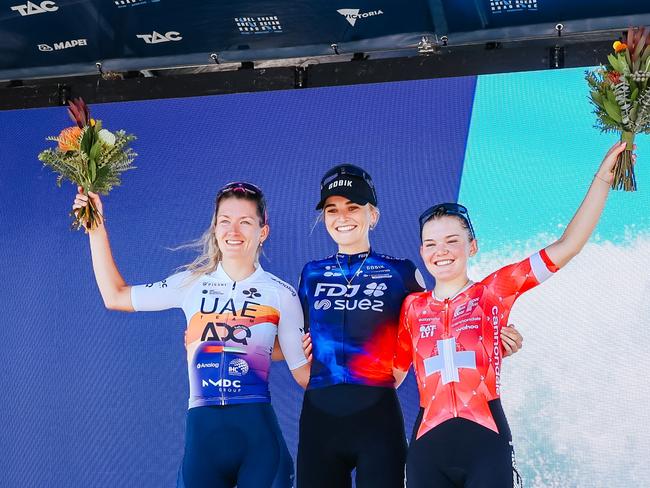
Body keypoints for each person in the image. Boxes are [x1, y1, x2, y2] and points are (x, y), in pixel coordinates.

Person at [394, 141, 635, 487]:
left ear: (472, 246)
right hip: (427, 450)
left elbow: (567, 247)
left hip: (485, 444)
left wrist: (603, 178)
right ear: (421, 251)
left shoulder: (493, 291)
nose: (441, 252)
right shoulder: (410, 308)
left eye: (452, 241)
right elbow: (389, 375)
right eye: (431, 244)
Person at [297, 164, 524, 488]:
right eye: (332, 209)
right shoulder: (311, 274)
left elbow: (441, 324)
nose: (342, 216)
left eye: (353, 207)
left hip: (377, 417)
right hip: (319, 418)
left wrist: (495, 339)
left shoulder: (400, 272)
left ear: (372, 214)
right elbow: (291, 346)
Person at [72, 181, 310, 488]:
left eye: (245, 222)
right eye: (225, 221)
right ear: (214, 228)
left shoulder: (282, 295)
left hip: (260, 445)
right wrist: (96, 227)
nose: (233, 231)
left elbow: (305, 374)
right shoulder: (191, 284)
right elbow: (115, 296)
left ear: (262, 231)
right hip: (203, 444)